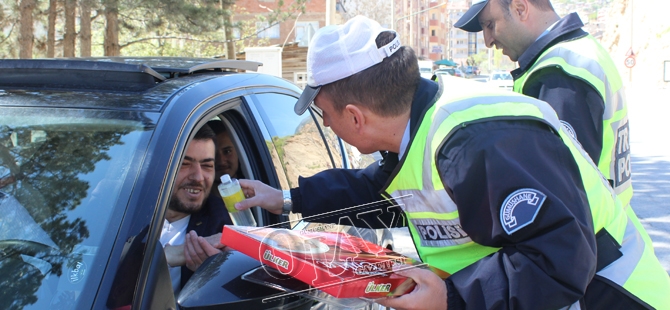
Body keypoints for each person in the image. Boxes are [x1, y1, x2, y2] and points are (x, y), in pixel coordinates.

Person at [234, 15, 670, 309]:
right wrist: (288, 198)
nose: (327, 128)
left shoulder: (480, 142)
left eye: (324, 115)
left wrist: (450, 296)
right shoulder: (418, 124)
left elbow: (559, 257)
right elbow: (383, 191)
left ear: (355, 116)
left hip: (610, 295)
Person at [454, 0, 634, 212]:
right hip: (609, 227)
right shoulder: (581, 51)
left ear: (520, 8)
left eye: (490, 25)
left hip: (589, 237)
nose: (488, 41)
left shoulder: (558, 73)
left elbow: (558, 190)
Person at [159, 124, 230, 295]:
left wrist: (209, 278)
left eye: (207, 166)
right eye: (184, 164)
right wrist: (166, 256)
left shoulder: (222, 225)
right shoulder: (124, 209)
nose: (198, 177)